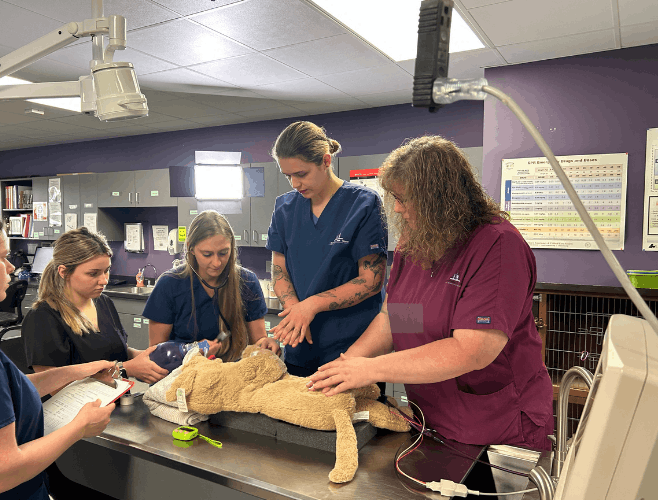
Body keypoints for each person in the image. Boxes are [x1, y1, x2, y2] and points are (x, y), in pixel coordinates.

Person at [308, 135, 554, 451]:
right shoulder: (419, 241)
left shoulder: (498, 246)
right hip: (432, 417)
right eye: (393, 196)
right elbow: (399, 317)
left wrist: (369, 369)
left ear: (441, 200)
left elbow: (473, 350)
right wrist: (345, 366)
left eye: (404, 198)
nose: (396, 207)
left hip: (499, 427)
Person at [0, 205, 114, 499]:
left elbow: (5, 389)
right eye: (2, 257)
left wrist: (76, 372)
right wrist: (80, 426)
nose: (11, 268)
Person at [267, 121, 388, 377]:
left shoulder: (364, 204)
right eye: (288, 176)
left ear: (325, 161)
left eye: (301, 174)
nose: (294, 184)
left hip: (353, 351)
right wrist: (295, 310)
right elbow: (279, 269)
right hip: (300, 348)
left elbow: (371, 280)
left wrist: (310, 306)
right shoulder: (284, 208)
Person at [22, 227, 168, 385]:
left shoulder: (104, 303)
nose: (104, 280)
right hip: (77, 408)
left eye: (107, 271)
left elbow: (116, 350)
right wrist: (124, 369)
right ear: (64, 272)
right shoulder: (43, 318)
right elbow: (51, 385)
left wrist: (144, 357)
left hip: (116, 402)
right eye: (93, 273)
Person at [144, 210, 278, 361]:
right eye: (207, 254)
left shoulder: (248, 281)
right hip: (182, 377)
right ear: (191, 248)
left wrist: (266, 344)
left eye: (223, 253)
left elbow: (258, 341)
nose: (217, 263)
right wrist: (191, 351)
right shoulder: (169, 284)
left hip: (232, 374)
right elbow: (156, 354)